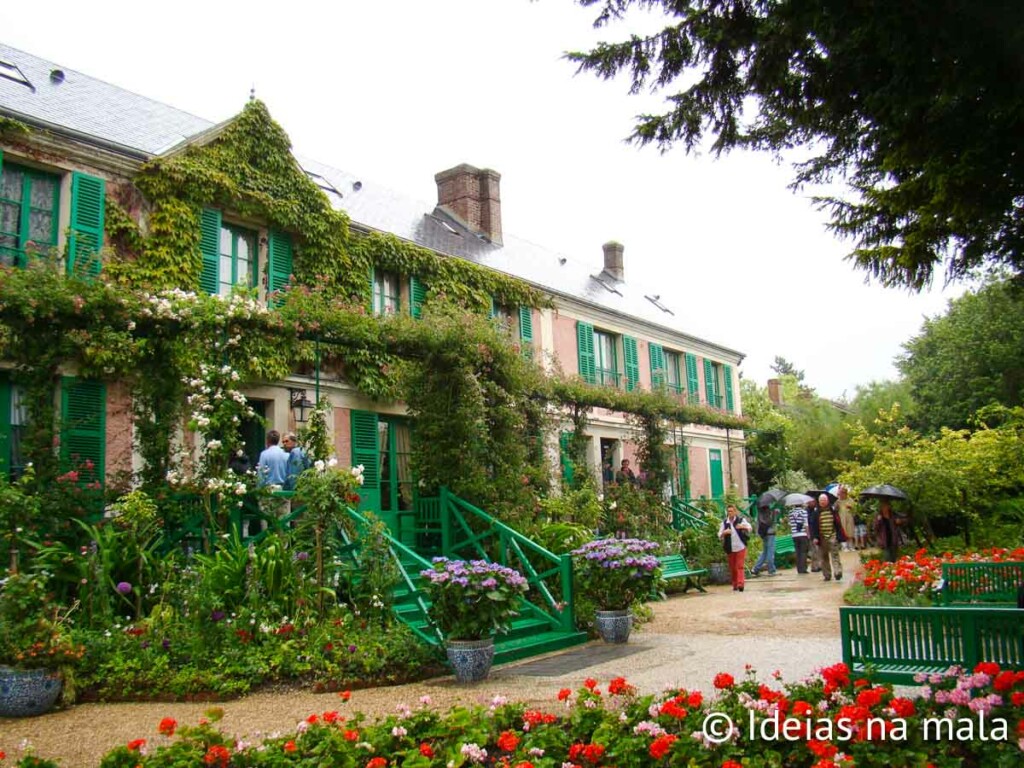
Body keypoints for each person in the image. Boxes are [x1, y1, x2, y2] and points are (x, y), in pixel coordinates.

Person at [809, 493, 846, 582]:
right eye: (821, 500)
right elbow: (813, 526)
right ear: (819, 501)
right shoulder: (816, 512)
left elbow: (838, 523)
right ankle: (827, 574)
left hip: (832, 536)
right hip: (821, 538)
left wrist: (839, 535)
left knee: (835, 555)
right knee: (824, 557)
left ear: (827, 501)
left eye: (824, 500)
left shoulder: (832, 511)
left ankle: (837, 572)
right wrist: (814, 537)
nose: (823, 502)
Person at [718, 503, 753, 592]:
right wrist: (724, 533)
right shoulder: (725, 523)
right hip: (730, 548)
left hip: (740, 546)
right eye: (728, 511)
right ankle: (735, 584)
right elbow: (719, 535)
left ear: (735, 512)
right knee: (733, 567)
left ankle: (741, 584)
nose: (730, 513)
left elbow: (750, 528)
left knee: (739, 566)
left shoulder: (741, 520)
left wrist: (742, 526)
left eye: (732, 511)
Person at [750, 503, 778, 577]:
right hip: (771, 534)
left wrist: (758, 534)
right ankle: (771, 570)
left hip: (763, 534)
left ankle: (755, 569)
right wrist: (775, 515)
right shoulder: (769, 513)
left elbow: (757, 524)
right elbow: (772, 523)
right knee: (770, 553)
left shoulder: (760, 513)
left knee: (765, 552)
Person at [788, 502, 810, 574]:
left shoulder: (790, 513)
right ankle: (803, 568)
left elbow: (790, 523)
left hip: (794, 534)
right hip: (803, 534)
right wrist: (808, 534)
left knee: (797, 552)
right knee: (803, 552)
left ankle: (799, 569)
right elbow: (806, 524)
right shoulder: (804, 512)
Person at [835, 486, 856, 552]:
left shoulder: (850, 500)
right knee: (843, 532)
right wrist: (836, 506)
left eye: (843, 493)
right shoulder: (837, 501)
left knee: (850, 532)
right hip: (841, 518)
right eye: (841, 493)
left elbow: (855, 509)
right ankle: (844, 547)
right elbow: (835, 510)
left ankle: (851, 546)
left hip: (849, 518)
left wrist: (851, 507)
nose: (842, 494)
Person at [805, 498, 822, 572]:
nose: (814, 503)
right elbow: (807, 524)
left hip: (816, 533)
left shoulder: (816, 511)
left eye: (815, 502)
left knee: (817, 550)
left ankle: (818, 565)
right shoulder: (807, 512)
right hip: (811, 534)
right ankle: (814, 566)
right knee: (813, 551)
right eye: (812, 502)